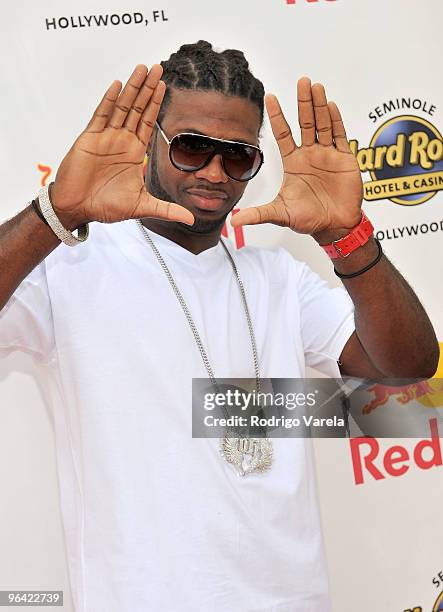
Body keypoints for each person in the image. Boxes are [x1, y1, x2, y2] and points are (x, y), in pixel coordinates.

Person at [0, 40, 438, 612]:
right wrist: (57, 213)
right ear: (151, 143)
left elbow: (409, 365)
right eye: (191, 147)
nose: (213, 172)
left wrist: (346, 235)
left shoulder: (279, 278)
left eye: (237, 157)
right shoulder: (72, 267)